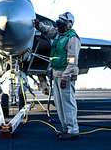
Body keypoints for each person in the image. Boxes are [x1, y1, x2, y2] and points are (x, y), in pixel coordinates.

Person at [34, 12, 81, 140]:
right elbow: (49, 31)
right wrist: (38, 25)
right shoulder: (59, 34)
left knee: (67, 103)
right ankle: (65, 128)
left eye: (61, 23)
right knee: (59, 104)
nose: (58, 25)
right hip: (56, 74)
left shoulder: (72, 38)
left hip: (66, 75)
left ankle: (73, 130)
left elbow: (72, 61)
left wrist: (65, 76)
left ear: (69, 25)